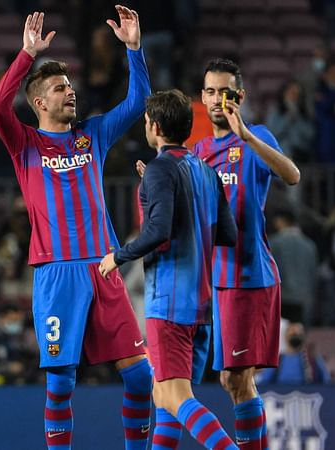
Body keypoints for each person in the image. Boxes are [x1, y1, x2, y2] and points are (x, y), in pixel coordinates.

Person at [0, 8, 153, 449]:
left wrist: (134, 49)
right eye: (61, 88)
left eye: (71, 87)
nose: (71, 93)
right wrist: (26, 55)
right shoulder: (25, 143)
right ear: (40, 102)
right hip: (56, 273)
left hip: (104, 267)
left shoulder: (92, 134)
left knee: (139, 376)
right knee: (61, 385)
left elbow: (138, 104)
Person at [99, 89, 238, 450]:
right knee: (166, 406)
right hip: (202, 310)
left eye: (146, 122)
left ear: (156, 127)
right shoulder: (207, 172)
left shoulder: (160, 169)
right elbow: (228, 234)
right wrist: (158, 188)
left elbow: (158, 232)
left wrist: (119, 255)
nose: (145, 127)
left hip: (170, 305)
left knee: (174, 399)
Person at [194, 58, 300, 449]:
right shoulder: (200, 150)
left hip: (248, 276)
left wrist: (248, 137)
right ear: (202, 97)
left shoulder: (257, 137)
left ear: (239, 95)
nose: (218, 100)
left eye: (225, 92)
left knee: (239, 379)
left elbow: (292, 175)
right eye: (210, 91)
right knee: (230, 380)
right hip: (217, 281)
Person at [269, 210, 318, 325]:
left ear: (281, 221)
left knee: (280, 336)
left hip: (281, 296)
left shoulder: (274, 242)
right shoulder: (310, 245)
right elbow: (313, 274)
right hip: (303, 297)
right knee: (297, 336)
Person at [257, 322, 330, 385]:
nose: (295, 334)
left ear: (304, 336)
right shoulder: (277, 360)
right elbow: (264, 385)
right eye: (292, 333)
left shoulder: (313, 359)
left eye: (298, 333)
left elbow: (326, 382)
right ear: (286, 336)